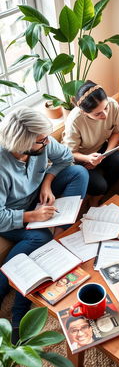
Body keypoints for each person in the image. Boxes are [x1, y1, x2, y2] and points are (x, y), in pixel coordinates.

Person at [0, 107, 89, 339]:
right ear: (24, 143)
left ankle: (59, 239)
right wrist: (32, 217)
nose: (48, 142)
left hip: (35, 197)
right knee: (40, 238)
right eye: (41, 141)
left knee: (79, 173)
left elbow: (66, 158)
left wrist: (47, 183)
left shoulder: (42, 145)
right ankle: (17, 310)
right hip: (12, 215)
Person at [62, 80, 119, 207]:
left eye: (106, 108)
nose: (105, 114)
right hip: (79, 156)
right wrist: (88, 158)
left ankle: (97, 198)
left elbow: (115, 133)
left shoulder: (112, 105)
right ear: (84, 112)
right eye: (97, 114)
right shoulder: (75, 120)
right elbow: (70, 152)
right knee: (99, 185)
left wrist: (105, 155)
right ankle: (97, 194)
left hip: (99, 148)